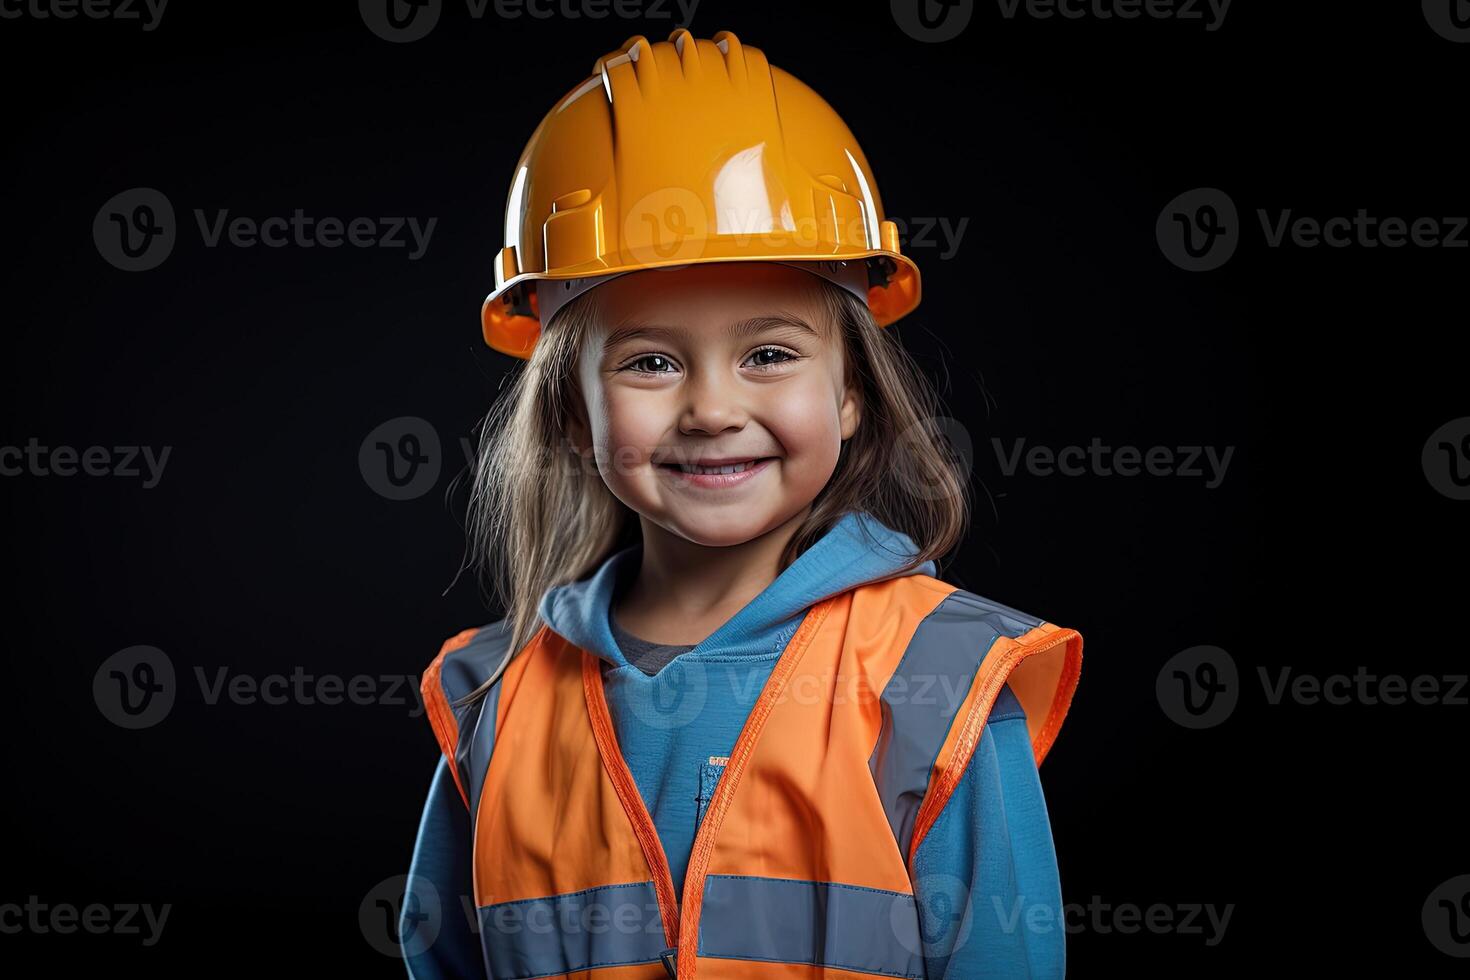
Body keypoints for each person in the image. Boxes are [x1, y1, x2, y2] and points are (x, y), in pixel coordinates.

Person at [403, 29, 1083, 980]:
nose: (714, 410)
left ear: (851, 395)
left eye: (769, 354)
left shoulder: (939, 677)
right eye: (649, 362)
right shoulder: (496, 702)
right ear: (567, 413)